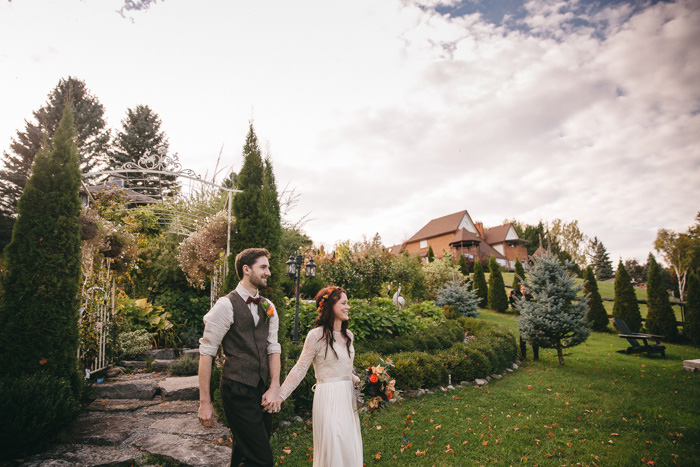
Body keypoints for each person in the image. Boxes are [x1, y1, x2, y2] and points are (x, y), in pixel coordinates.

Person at [197, 248, 281, 467]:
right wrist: (205, 403)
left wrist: (274, 387)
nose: (268, 273)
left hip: (262, 391)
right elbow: (206, 353)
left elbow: (273, 348)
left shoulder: (268, 307)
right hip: (237, 389)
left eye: (268, 267)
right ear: (246, 269)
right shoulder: (225, 305)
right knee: (261, 459)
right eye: (263, 267)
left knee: (244, 453)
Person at [267, 286, 363, 466]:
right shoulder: (316, 336)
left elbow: (342, 367)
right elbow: (300, 369)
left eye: (347, 303)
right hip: (328, 397)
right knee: (335, 443)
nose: (347, 307)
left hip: (347, 398)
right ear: (330, 307)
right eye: (343, 303)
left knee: (348, 445)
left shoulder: (348, 335)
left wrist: (358, 380)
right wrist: (280, 395)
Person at [516, 284, 539, 361]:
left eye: (525, 289)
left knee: (533, 338)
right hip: (523, 321)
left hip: (531, 320)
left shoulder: (530, 297)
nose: (523, 291)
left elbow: (530, 304)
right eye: (522, 289)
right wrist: (511, 296)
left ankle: (536, 356)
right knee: (522, 338)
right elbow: (516, 306)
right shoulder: (520, 298)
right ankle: (523, 355)